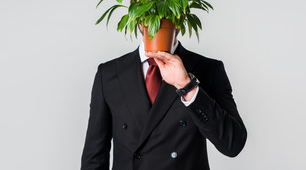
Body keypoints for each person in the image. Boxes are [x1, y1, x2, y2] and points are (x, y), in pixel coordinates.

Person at [80, 22, 247, 170]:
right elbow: (94, 157)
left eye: (166, 5)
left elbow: (233, 144)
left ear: (180, 16)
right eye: (149, 7)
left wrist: (187, 86)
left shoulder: (209, 69)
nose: (158, 15)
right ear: (137, 16)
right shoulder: (108, 74)